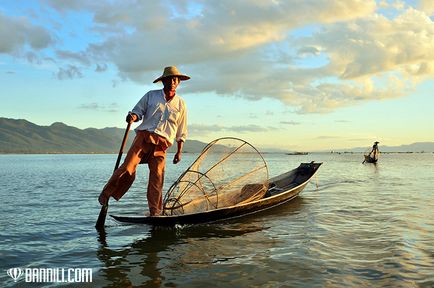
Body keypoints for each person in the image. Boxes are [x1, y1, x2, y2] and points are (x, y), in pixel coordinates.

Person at [98, 66, 189, 216]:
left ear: (178, 82)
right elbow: (138, 111)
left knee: (157, 178)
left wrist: (179, 152)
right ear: (163, 81)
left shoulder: (181, 104)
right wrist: (133, 117)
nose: (173, 82)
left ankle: (155, 212)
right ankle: (106, 194)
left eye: (176, 79)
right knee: (128, 168)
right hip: (144, 138)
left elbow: (181, 130)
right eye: (170, 79)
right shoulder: (151, 96)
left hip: (162, 144)